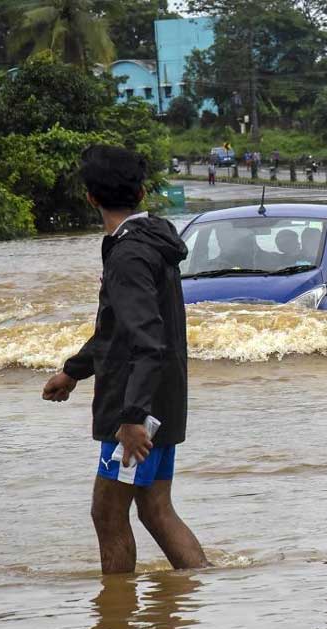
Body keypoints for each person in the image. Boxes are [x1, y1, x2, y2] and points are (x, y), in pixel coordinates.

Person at [42, 145, 209, 575]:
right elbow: (116, 329)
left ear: (91, 198)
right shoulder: (152, 239)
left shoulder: (128, 255)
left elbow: (146, 341)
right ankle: (198, 588)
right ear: (141, 192)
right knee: (155, 509)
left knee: (108, 512)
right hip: (163, 400)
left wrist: (132, 418)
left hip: (138, 411)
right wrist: (73, 370)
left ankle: (115, 622)